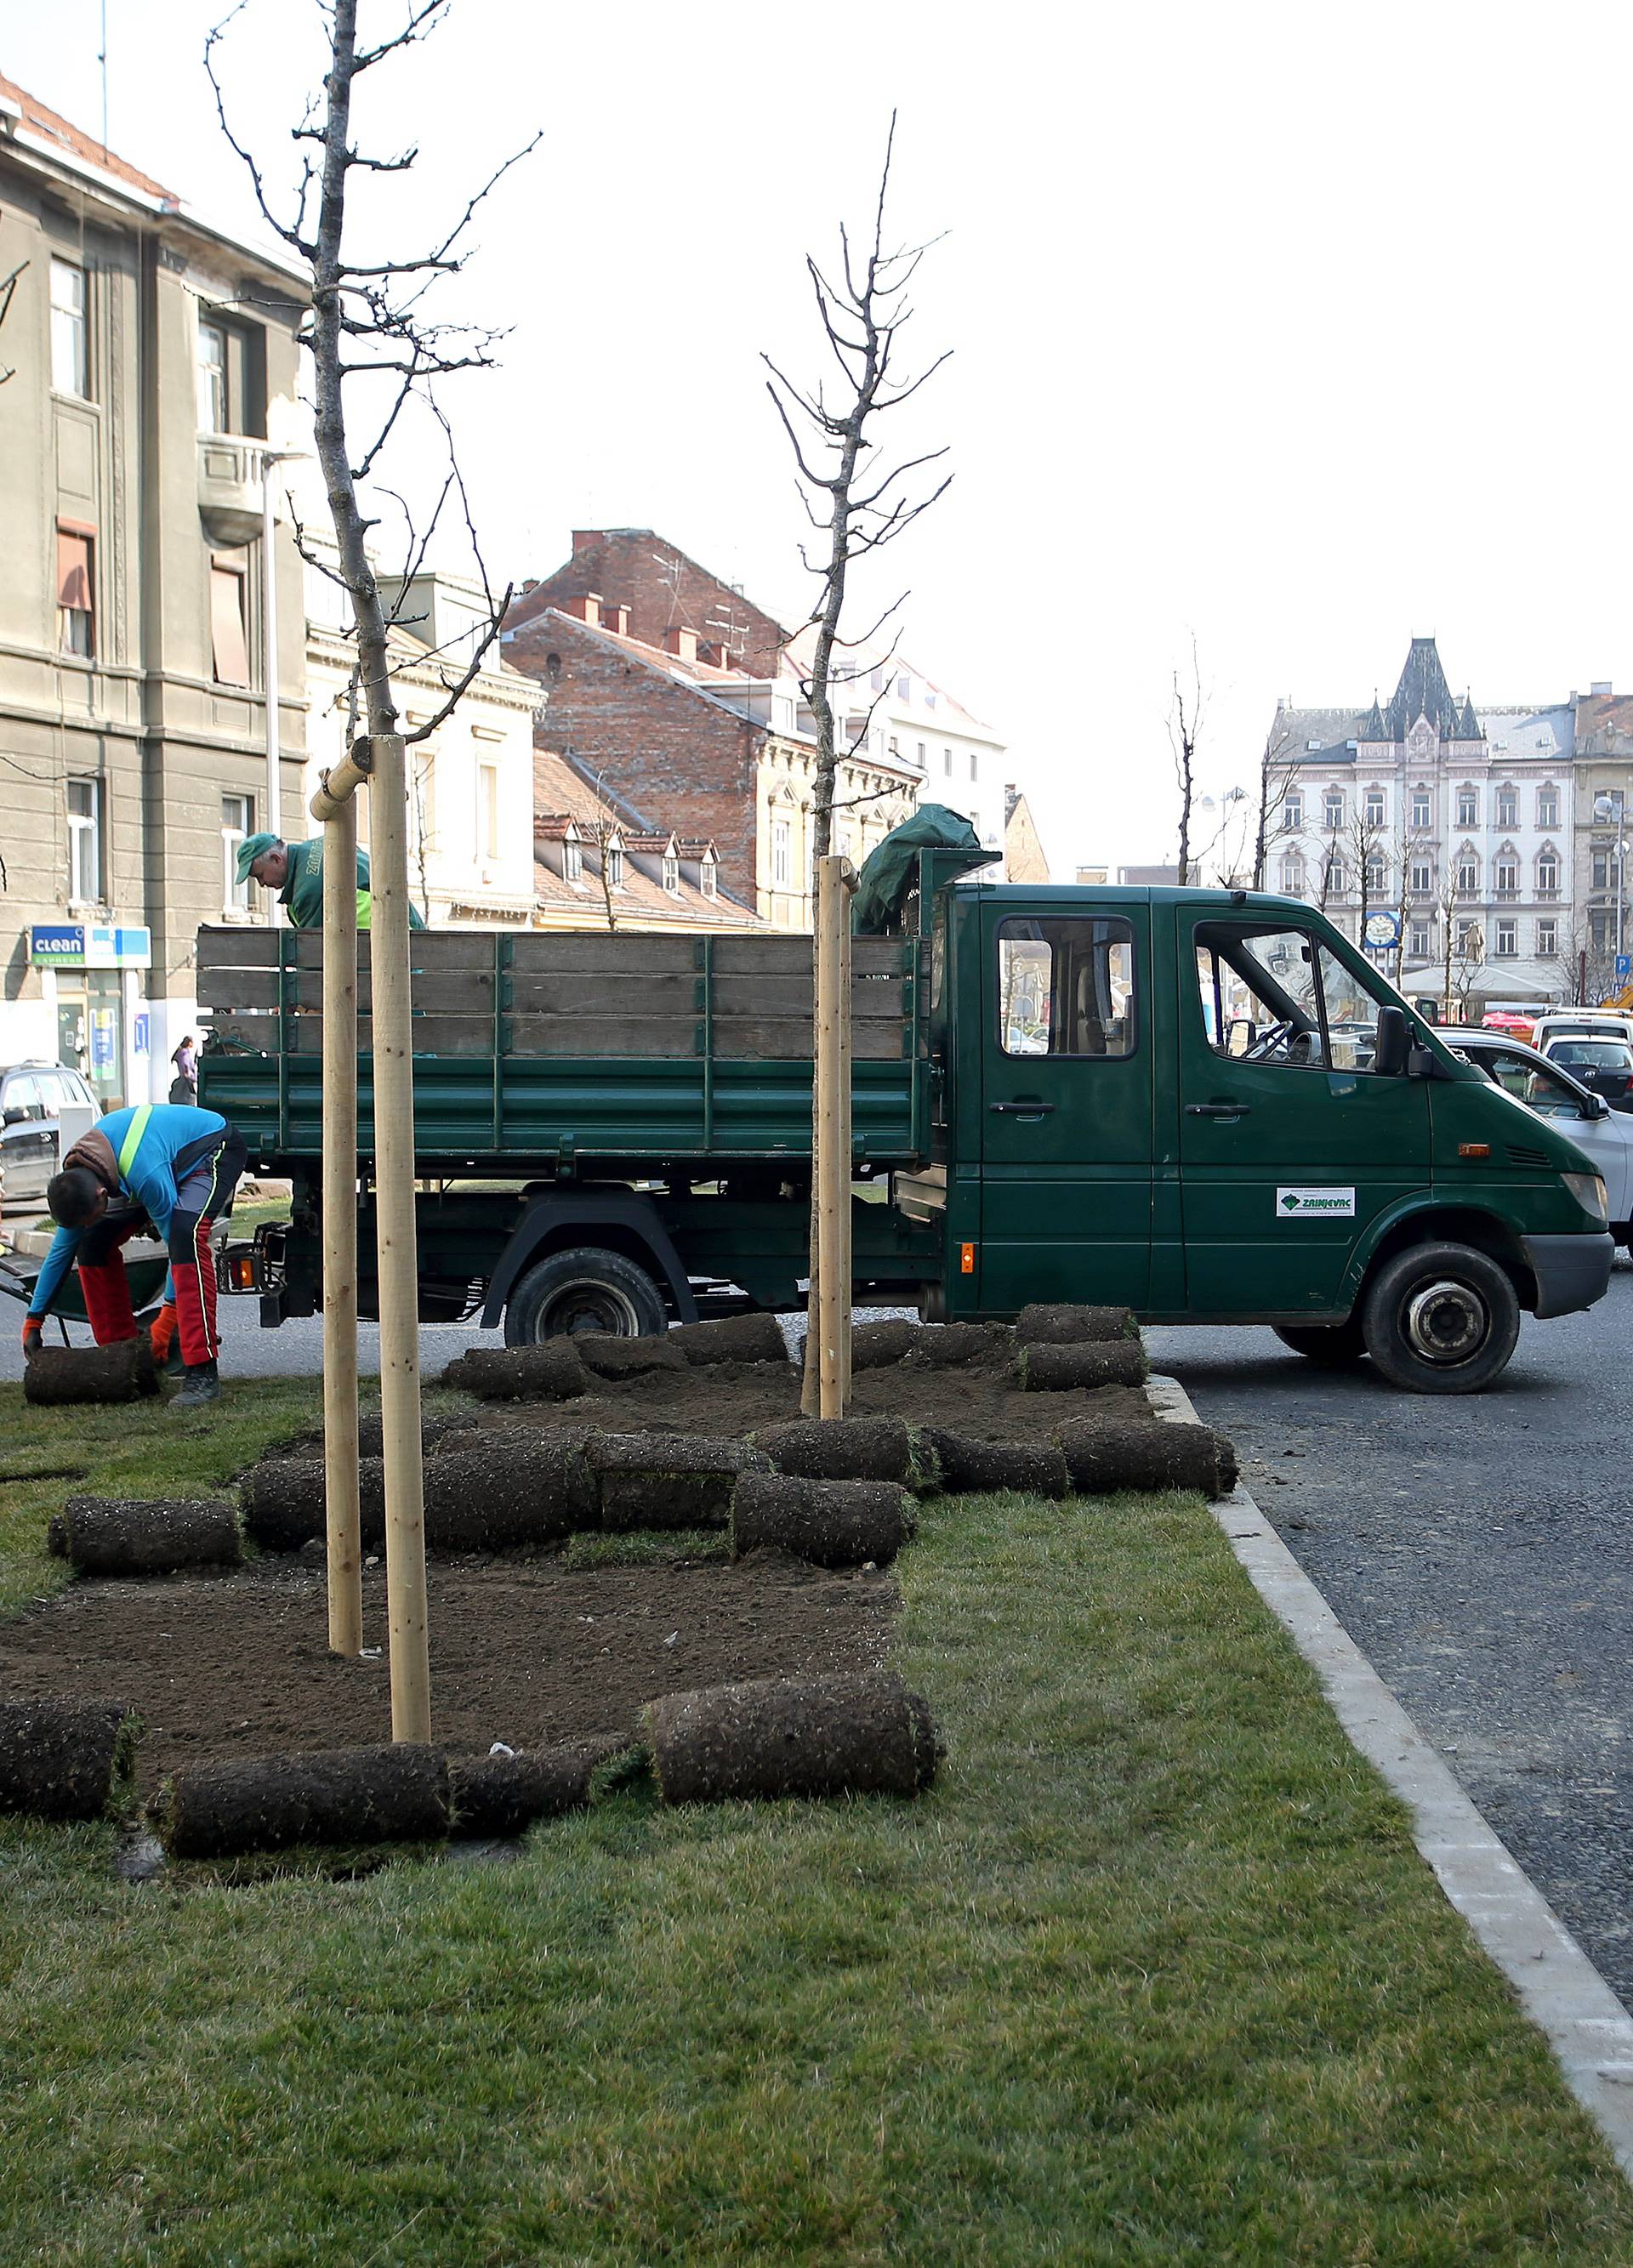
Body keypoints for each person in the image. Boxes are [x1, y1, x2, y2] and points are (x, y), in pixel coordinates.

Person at [20, 1101, 248, 1412]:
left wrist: (167, 1320)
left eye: (90, 1216)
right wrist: (34, 1320)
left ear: (102, 1195)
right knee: (92, 1243)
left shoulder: (145, 1173)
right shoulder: (78, 1178)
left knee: (186, 1235)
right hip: (153, 1163)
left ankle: (202, 1372)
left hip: (211, 1150)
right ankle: (123, 1360)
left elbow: (175, 1249)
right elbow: (62, 1250)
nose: (88, 1223)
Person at [236, 832, 427, 931]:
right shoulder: (323, 842)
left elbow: (313, 957)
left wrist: (293, 999)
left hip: (390, 958)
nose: (262, 884)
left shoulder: (307, 891)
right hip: (409, 932)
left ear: (277, 859)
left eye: (259, 876)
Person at [169, 1034, 197, 1103]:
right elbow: (185, 1064)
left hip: (185, 1078)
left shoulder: (183, 1052)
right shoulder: (185, 1053)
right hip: (186, 1079)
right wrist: (189, 1074)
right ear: (189, 1043)